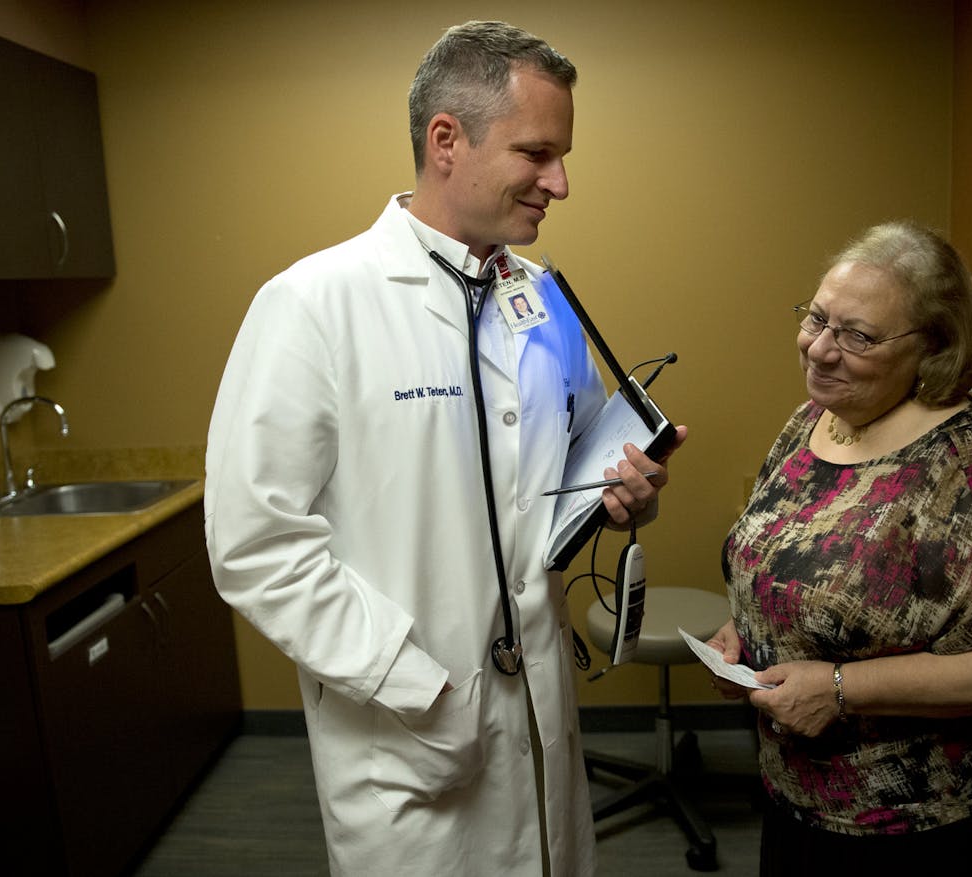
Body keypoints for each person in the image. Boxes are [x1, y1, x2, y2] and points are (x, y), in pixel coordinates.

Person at [204, 20, 686, 877]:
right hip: (409, 730)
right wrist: (413, 681)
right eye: (537, 153)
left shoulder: (538, 299)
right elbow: (254, 545)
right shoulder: (315, 305)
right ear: (446, 140)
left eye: (563, 155)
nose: (561, 183)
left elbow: (567, 457)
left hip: (537, 709)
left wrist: (620, 492)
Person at [707, 221, 972, 875]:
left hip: (929, 828)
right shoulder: (814, 420)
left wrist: (840, 688)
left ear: (934, 348)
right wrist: (746, 630)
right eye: (817, 319)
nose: (820, 350)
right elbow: (789, 564)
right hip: (798, 805)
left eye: (857, 335)